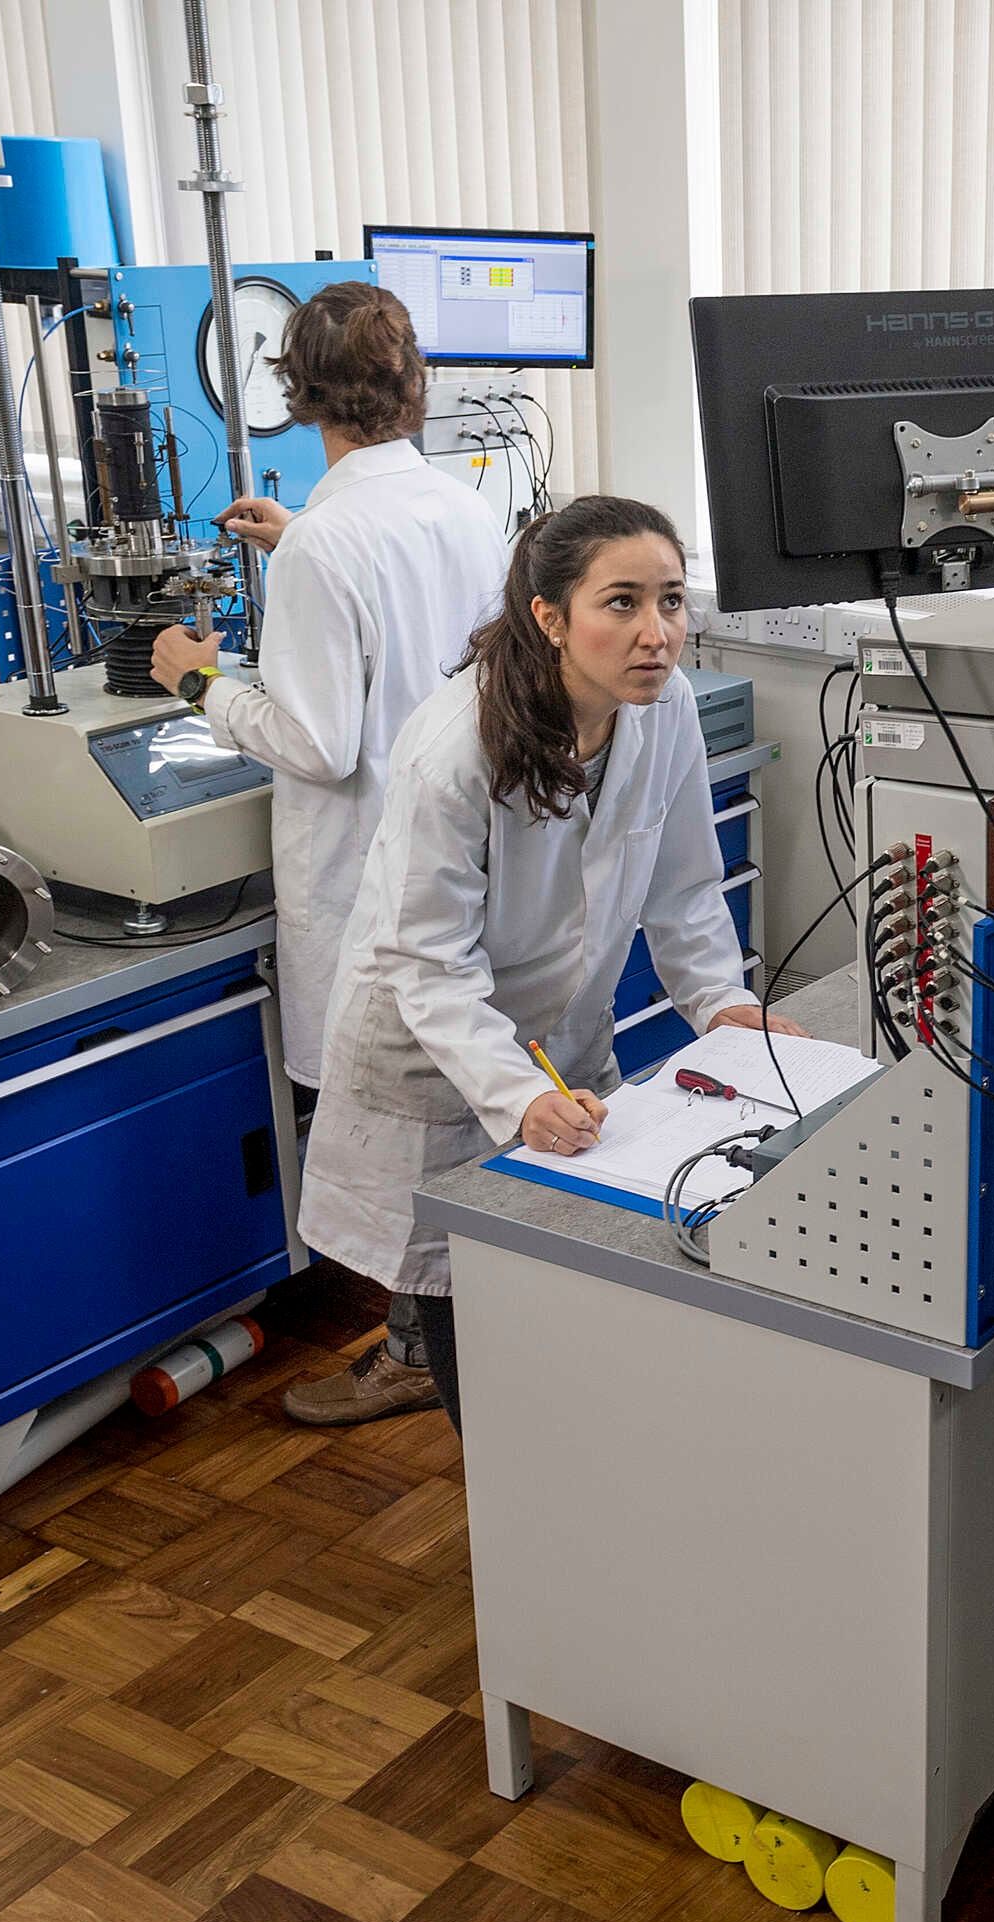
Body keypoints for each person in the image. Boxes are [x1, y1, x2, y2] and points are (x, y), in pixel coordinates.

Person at [295, 495, 802, 1431]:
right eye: (621, 603)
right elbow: (429, 961)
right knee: (464, 1309)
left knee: (571, 1288)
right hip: (439, 1060)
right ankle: (505, 1496)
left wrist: (721, 1004)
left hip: (562, 1048)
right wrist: (513, 1094)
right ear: (549, 616)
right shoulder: (457, 749)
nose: (657, 633)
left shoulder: (666, 709)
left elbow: (686, 886)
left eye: (673, 600)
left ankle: (572, 1476)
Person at [147, 280, 509, 1427]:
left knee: (398, 1126)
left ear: (296, 394)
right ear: (413, 385)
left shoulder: (332, 543)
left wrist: (197, 681)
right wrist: (301, 542)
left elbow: (311, 740)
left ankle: (415, 1347)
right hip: (467, 852)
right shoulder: (461, 508)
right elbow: (412, 616)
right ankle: (465, 1320)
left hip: (367, 869)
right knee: (452, 1107)